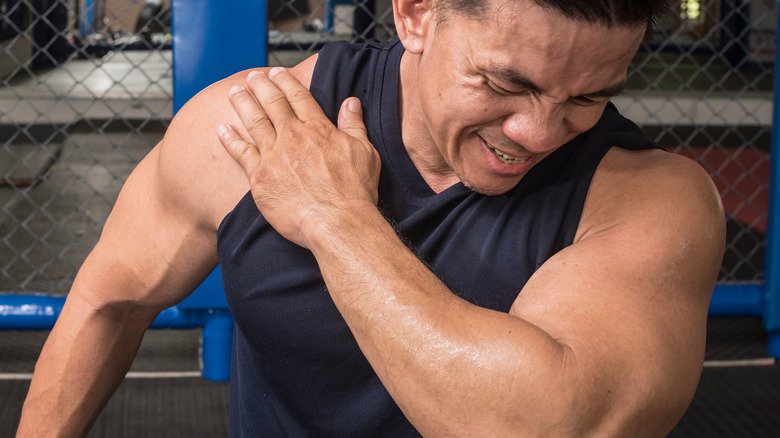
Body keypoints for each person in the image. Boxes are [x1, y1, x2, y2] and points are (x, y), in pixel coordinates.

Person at [17, 0, 725, 435]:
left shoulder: (651, 201)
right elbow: (108, 301)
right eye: (507, 83)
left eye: (589, 98)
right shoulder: (252, 130)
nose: (538, 133)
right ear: (417, 12)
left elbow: (543, 428)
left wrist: (338, 219)